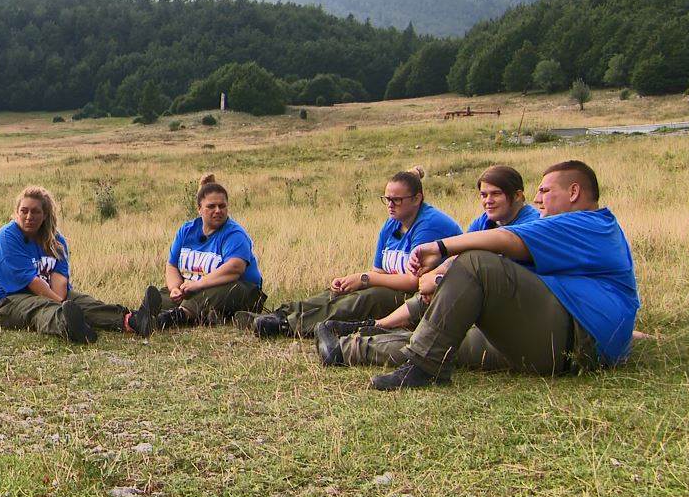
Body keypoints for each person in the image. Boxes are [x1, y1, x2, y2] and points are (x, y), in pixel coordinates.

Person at [316, 160, 639, 391]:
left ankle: (424, 369)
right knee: (444, 337)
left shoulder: (589, 223)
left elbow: (506, 242)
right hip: (565, 341)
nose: (538, 198)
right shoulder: (581, 231)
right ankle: (345, 348)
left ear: (573, 192)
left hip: (572, 340)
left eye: (545, 190)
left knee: (475, 264)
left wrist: (440, 248)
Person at [318, 165, 538, 359]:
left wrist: (440, 278)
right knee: (434, 287)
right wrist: (436, 274)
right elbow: (459, 255)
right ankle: (374, 327)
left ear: (517, 195)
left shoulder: (531, 224)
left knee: (437, 299)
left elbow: (491, 265)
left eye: (495, 194)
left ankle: (365, 339)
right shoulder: (485, 221)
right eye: (483, 194)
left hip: (519, 301)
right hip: (483, 294)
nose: (487, 201)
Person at [238, 167, 461, 338]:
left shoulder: (429, 224)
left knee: (366, 298)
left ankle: (289, 325)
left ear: (417, 199)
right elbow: (379, 270)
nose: (390, 205)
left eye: (397, 200)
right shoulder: (392, 223)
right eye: (387, 199)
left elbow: (415, 282)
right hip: (397, 287)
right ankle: (280, 314)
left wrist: (365, 279)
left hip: (424, 298)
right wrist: (354, 280)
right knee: (340, 292)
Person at [0, 186, 159, 343]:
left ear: (45, 214)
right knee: (41, 306)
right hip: (0, 303)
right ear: (16, 213)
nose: (29, 216)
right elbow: (33, 283)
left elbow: (60, 283)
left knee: (82, 301)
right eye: (24, 211)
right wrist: (62, 305)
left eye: (35, 211)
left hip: (44, 294)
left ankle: (132, 321)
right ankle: (68, 325)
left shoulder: (56, 241)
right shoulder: (7, 237)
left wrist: (66, 302)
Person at [156, 174, 265, 328]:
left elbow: (235, 268)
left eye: (222, 206)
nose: (218, 210)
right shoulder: (186, 231)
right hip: (196, 289)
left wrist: (198, 285)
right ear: (199, 209)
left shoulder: (235, 234)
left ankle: (178, 316)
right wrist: (175, 289)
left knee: (216, 292)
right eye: (211, 206)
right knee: (160, 297)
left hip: (241, 290)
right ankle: (134, 317)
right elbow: (172, 265)